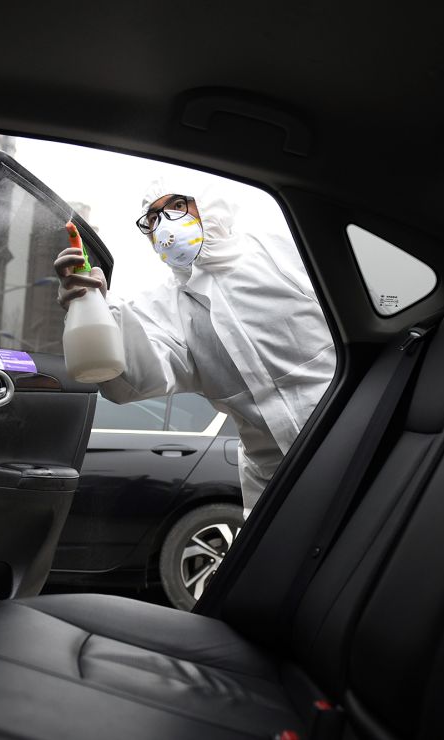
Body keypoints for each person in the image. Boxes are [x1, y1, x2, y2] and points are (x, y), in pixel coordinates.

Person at [54, 179, 335, 517]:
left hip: (351, 439)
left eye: (176, 206)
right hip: (275, 482)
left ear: (209, 203)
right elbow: (129, 381)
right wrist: (94, 304)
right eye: (153, 219)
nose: (165, 224)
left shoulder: (282, 253)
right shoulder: (168, 307)